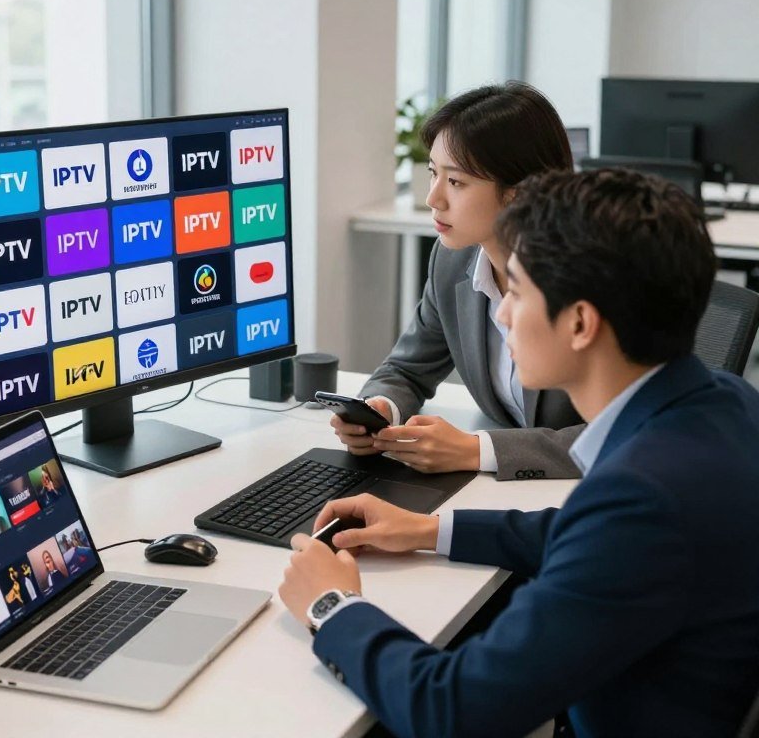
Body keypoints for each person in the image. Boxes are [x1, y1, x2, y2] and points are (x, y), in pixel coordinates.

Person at [280, 169, 759, 736]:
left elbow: (451, 709)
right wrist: (429, 530)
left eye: (518, 292)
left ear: (581, 322)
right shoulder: (725, 401)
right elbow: (586, 533)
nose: (502, 314)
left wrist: (331, 607)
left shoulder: (643, 500)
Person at [335, 82, 584, 481]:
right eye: (433, 173)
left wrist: (477, 450)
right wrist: (380, 410)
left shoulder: (595, 280)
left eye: (456, 182)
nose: (434, 198)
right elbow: (407, 368)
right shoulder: (454, 259)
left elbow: (631, 434)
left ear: (518, 194)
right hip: (509, 495)